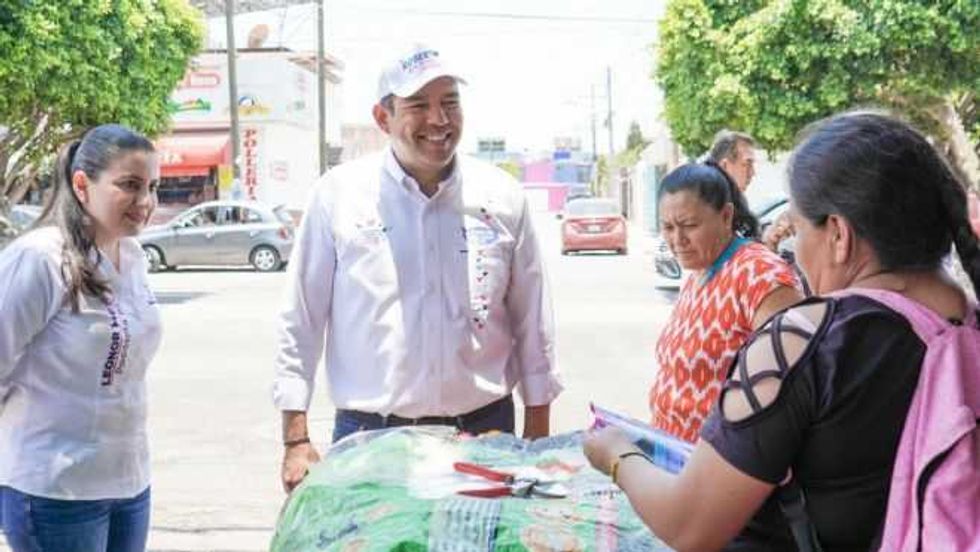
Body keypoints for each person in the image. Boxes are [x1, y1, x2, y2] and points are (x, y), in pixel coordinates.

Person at [584, 111, 980, 551]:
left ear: (838, 235)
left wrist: (618, 454)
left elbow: (688, 526)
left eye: (798, 228)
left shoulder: (803, 341)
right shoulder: (965, 323)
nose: (794, 249)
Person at [273, 44, 562, 492]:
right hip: (370, 438)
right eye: (419, 105)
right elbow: (301, 319)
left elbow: (533, 322)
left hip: (485, 434)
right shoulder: (338, 195)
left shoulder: (501, 196)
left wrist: (537, 433)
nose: (439, 120)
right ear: (383, 117)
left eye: (450, 103)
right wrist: (296, 438)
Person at [0, 124, 162, 552]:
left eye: (152, 187)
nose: (146, 202)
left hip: (128, 483)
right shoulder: (41, 258)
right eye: (130, 185)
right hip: (55, 491)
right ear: (81, 185)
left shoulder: (134, 258)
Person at [649, 162, 802, 443]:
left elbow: (790, 386)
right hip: (674, 454)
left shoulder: (760, 274)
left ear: (726, 215)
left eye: (689, 225)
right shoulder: (699, 272)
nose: (677, 240)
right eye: (668, 227)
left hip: (719, 461)